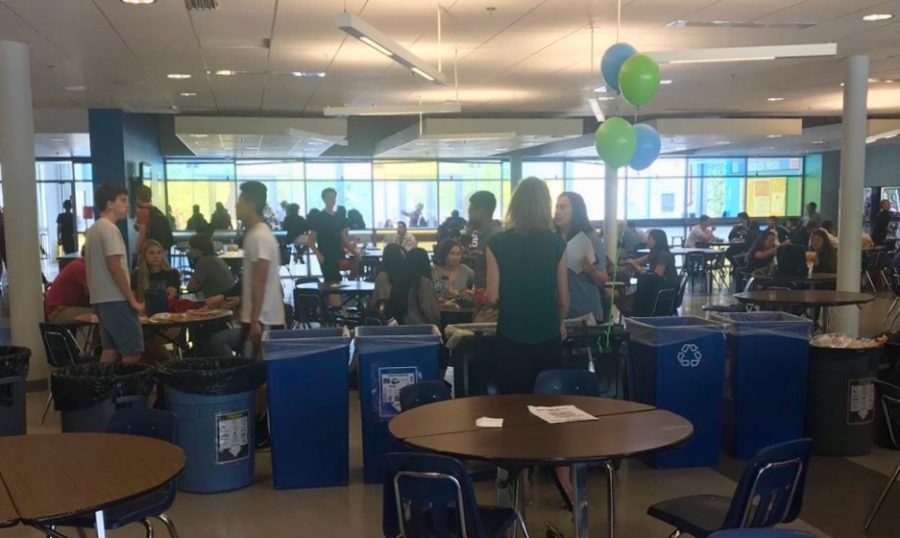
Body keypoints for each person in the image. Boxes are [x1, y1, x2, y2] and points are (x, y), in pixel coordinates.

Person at [485, 178, 568, 395]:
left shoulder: (496, 244)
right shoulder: (557, 244)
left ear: (515, 205)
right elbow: (564, 300)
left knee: (513, 406)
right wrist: (559, 322)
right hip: (548, 335)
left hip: (510, 336)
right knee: (549, 406)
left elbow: (492, 297)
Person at [84, 184, 144, 363]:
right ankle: (125, 390)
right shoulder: (110, 229)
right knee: (132, 352)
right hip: (115, 298)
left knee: (110, 351)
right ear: (110, 204)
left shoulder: (93, 229)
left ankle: (103, 389)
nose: (127, 205)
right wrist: (131, 299)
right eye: (123, 200)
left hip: (100, 298)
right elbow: (114, 265)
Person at [238, 181, 286, 353]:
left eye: (240, 200)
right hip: (260, 318)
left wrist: (254, 320)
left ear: (251, 204)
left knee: (260, 375)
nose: (236, 205)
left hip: (264, 319)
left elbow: (260, 281)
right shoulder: (255, 234)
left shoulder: (259, 236)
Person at [555, 192, 608, 321]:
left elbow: (603, 280)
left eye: (562, 208)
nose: (557, 212)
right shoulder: (552, 238)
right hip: (558, 311)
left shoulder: (590, 237)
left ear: (576, 211)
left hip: (585, 312)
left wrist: (592, 271)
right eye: (556, 207)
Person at [620, 229, 678, 316]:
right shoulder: (653, 254)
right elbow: (637, 261)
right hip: (655, 287)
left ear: (656, 240)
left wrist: (636, 267)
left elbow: (657, 276)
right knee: (634, 286)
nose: (646, 241)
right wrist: (627, 261)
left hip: (664, 290)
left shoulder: (663, 255)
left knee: (634, 289)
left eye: (649, 238)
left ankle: (631, 308)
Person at [308, 188, 357, 284]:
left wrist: (354, 252)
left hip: (337, 255)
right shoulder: (319, 217)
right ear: (324, 199)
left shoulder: (338, 217)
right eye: (329, 197)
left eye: (334, 197)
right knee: (332, 284)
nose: (332, 200)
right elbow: (310, 241)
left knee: (335, 284)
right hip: (326, 255)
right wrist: (320, 256)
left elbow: (344, 237)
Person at [388, 248, 440, 325]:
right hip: (423, 329)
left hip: (400, 327)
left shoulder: (399, 280)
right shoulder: (424, 283)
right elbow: (432, 313)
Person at [466, 191, 502, 288]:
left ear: (481, 210)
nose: (468, 212)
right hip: (477, 293)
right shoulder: (474, 233)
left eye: (471, 209)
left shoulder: (497, 238)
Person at [45, 254, 90, 324]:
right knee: (101, 315)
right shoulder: (81, 267)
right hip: (58, 312)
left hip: (58, 309)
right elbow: (94, 292)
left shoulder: (77, 263)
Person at [186, 234, 235, 299]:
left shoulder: (204, 262)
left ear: (199, 250)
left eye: (191, 248)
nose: (189, 251)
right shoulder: (214, 259)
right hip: (228, 298)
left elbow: (190, 287)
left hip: (219, 301)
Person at [134, 184, 173, 254]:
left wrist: (136, 252)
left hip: (149, 248)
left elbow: (142, 234)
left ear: (138, 197)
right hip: (160, 247)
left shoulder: (142, 212)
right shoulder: (155, 210)